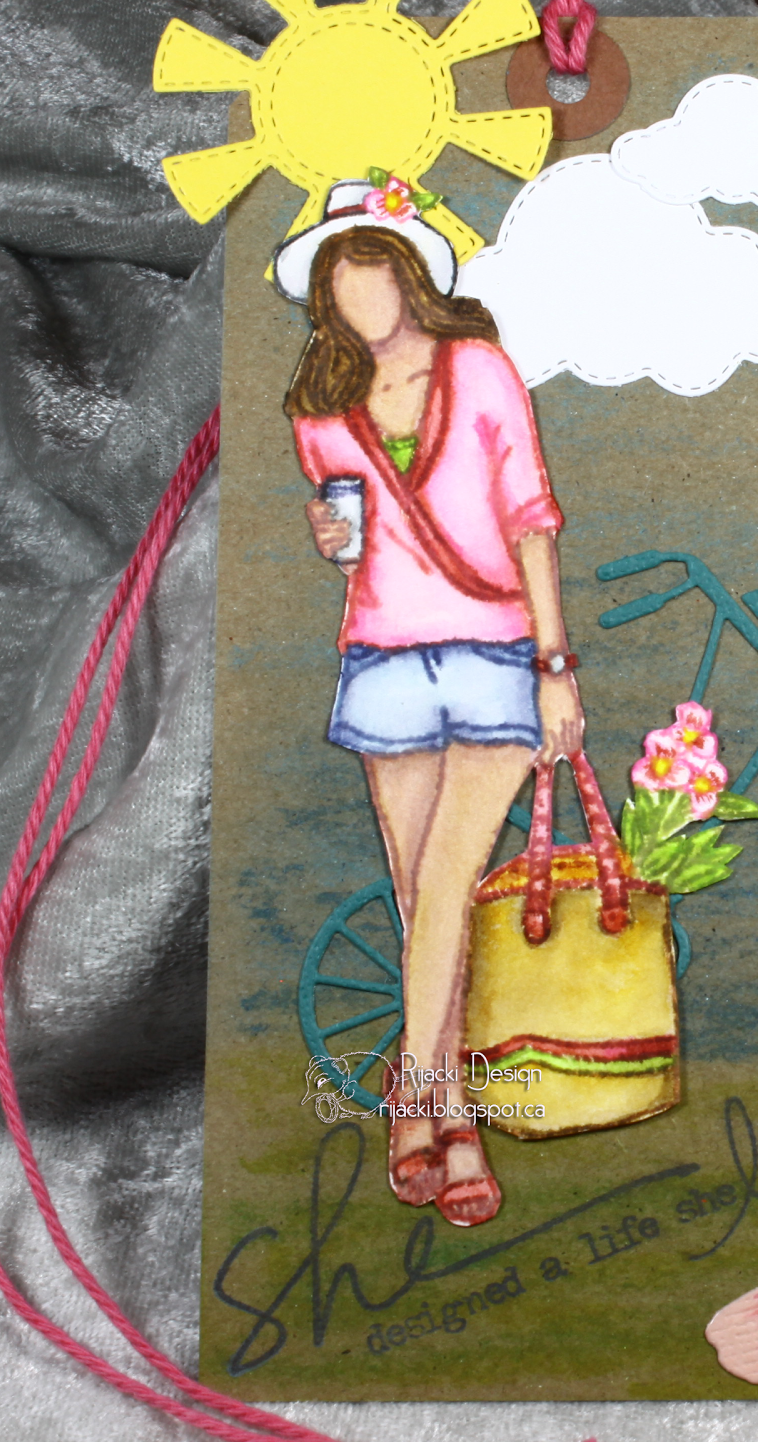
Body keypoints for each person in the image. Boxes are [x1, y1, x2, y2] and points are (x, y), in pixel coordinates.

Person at [276, 176, 583, 1227]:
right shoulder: (320, 410)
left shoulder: (480, 369)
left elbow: (531, 516)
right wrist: (330, 540)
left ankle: (413, 1093)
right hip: (383, 654)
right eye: (342, 283)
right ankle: (458, 1120)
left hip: (496, 649)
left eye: (375, 274)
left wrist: (554, 664)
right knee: (419, 896)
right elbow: (353, 544)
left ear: (410, 276)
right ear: (326, 298)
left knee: (450, 882)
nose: (362, 298)